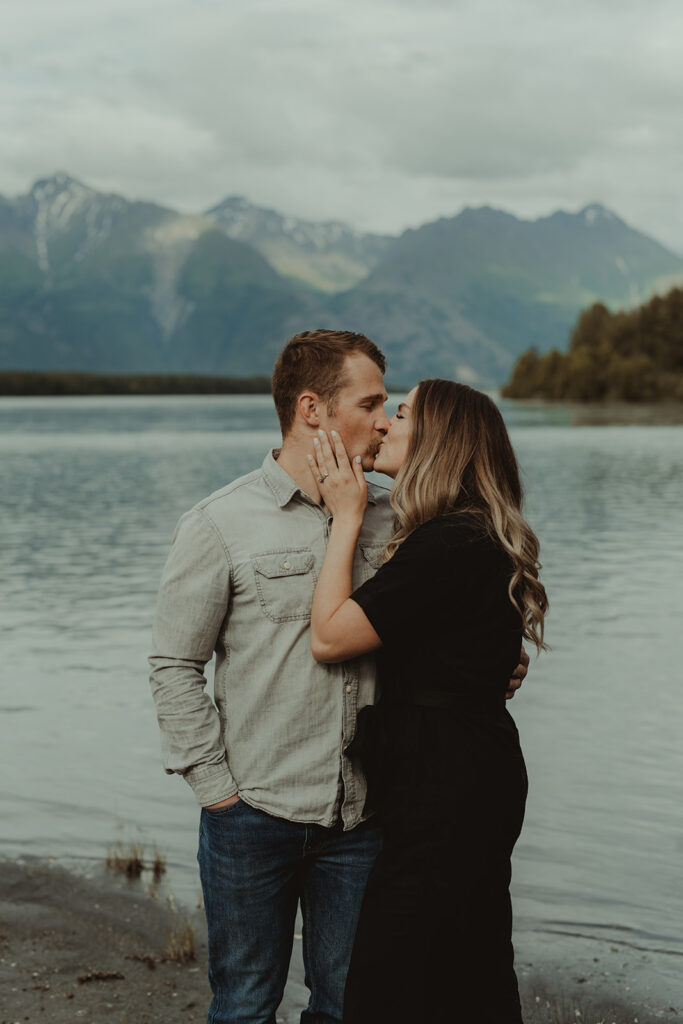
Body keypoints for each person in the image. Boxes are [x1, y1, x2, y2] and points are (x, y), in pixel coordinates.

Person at [149, 334, 528, 1024]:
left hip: (365, 816)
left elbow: (446, 617)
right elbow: (175, 664)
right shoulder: (220, 523)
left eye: (392, 407)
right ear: (311, 409)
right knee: (242, 1006)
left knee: (348, 1006)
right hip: (253, 811)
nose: (384, 420)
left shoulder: (402, 518)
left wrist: (492, 666)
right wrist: (216, 791)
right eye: (372, 403)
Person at [308, 379, 547, 1024]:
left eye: (403, 413)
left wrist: (347, 516)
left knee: (395, 983)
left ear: (439, 441)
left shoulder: (449, 540)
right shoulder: (464, 533)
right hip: (462, 774)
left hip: (450, 790)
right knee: (465, 965)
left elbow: (330, 637)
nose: (384, 424)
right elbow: (463, 646)